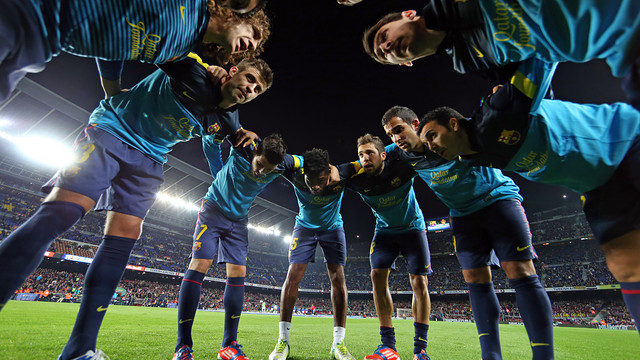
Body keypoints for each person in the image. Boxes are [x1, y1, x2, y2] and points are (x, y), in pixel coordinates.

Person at [0, 53, 273, 360]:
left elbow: (240, 142)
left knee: (125, 237)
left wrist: (249, 137)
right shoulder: (191, 68)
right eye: (249, 79)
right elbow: (119, 43)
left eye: (258, 90)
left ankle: (79, 350)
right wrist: (111, 88)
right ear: (233, 71)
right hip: (112, 131)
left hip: (151, 160)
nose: (250, 89)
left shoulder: (229, 120)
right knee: (61, 213)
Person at [417, 62, 640, 333]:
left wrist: (505, 77)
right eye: (427, 143)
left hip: (625, 140)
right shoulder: (472, 157)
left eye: (432, 136)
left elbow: (540, 60)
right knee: (625, 265)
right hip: (596, 185)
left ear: (453, 124)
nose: (431, 146)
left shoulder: (496, 112)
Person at [381, 106, 554, 360]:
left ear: (415, 123)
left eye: (399, 129)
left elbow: (482, 125)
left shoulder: (445, 134)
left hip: (498, 200)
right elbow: (370, 155)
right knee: (474, 279)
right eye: (390, 134)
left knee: (520, 272)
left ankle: (543, 355)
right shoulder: (399, 153)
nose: (396, 138)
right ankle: (491, 355)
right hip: (462, 216)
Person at [362, 0, 640, 107]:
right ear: (406, 63)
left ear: (408, 14)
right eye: (383, 54)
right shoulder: (468, 63)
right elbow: (535, 81)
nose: (386, 47)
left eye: (384, 37)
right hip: (621, 49)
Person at [173, 134, 300, 360]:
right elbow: (210, 140)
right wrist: (219, 171)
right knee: (201, 263)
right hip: (213, 210)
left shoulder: (283, 163)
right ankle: (182, 347)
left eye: (269, 170)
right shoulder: (242, 146)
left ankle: (229, 345)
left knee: (238, 273)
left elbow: (303, 161)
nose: (262, 172)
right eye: (260, 164)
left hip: (239, 220)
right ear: (256, 151)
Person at [1, 0, 271, 103]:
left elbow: (118, 46)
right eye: (254, 33)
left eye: (257, 45)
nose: (253, 43)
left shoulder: (178, 51)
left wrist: (112, 90)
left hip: (38, 49)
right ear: (237, 12)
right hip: (24, 11)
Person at [342, 134, 434, 360]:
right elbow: (332, 173)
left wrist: (391, 148)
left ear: (383, 155)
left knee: (419, 281)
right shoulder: (357, 178)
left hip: (413, 228)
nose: (365, 158)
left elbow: (416, 144)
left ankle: (420, 349)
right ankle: (388, 346)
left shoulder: (402, 166)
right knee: (376, 276)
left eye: (370, 153)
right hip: (384, 232)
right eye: (361, 155)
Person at [268, 148, 355, 360]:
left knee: (338, 278)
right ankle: (283, 341)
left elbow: (367, 162)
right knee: (293, 276)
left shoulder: (341, 175)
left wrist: (336, 170)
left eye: (321, 180)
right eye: (311, 180)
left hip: (333, 228)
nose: (315, 186)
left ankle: (338, 343)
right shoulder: (296, 175)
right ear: (304, 173)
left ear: (329, 173)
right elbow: (277, 156)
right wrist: (299, 163)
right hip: (304, 228)